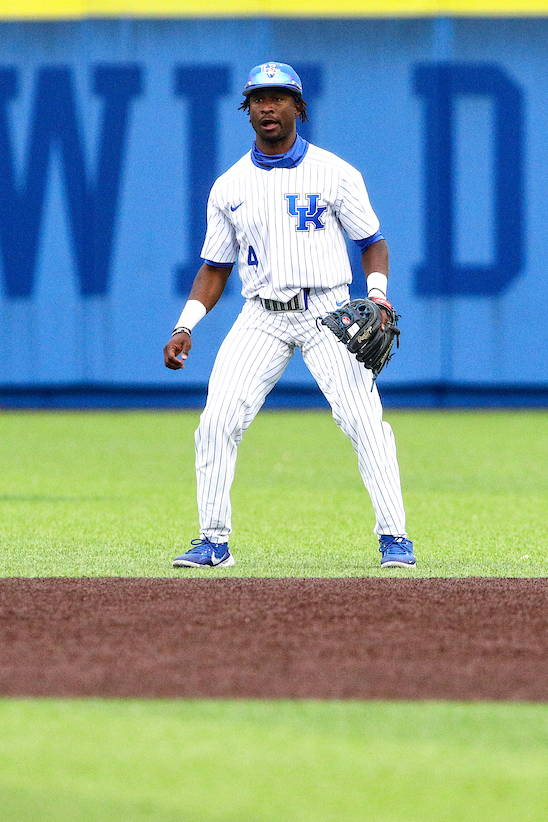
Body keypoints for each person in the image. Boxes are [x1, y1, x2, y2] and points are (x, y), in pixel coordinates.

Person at [163, 61, 414, 570]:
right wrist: (185, 324)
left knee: (364, 422)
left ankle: (395, 537)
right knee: (216, 422)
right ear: (247, 109)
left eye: (279, 97)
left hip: (329, 311)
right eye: (259, 98)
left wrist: (379, 296)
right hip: (261, 315)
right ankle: (213, 541)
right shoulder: (229, 186)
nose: (268, 107)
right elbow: (214, 268)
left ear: (298, 106)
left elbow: (373, 243)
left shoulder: (335, 172)